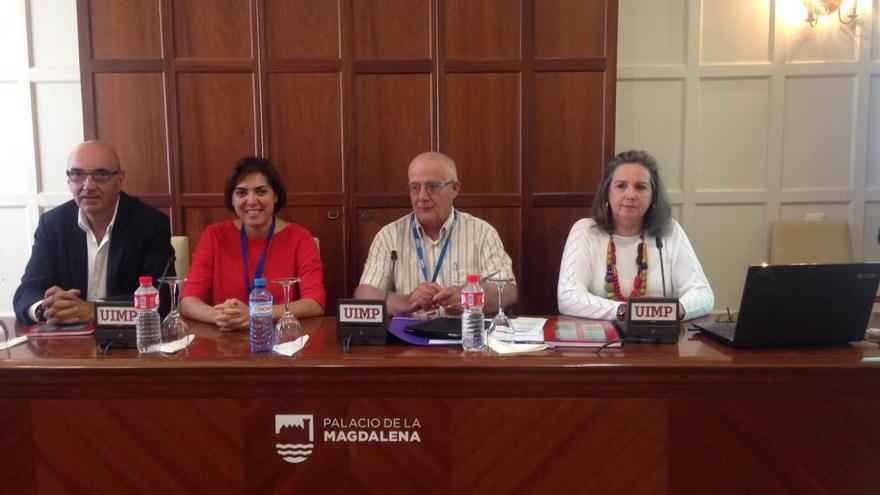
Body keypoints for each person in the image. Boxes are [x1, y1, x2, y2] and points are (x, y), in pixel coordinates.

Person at [13, 141, 174, 324]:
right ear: (69, 181)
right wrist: (46, 309)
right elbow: (25, 293)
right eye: (77, 175)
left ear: (119, 180)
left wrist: (94, 311)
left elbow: (162, 300)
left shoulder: (150, 224)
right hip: (65, 343)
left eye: (100, 175)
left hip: (127, 342)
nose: (88, 186)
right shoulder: (52, 224)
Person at [557, 150, 714, 321]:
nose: (630, 195)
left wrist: (674, 310)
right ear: (607, 192)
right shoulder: (585, 231)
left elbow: (704, 295)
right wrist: (632, 311)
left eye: (640, 187)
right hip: (600, 342)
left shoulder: (669, 231)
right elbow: (568, 297)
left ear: (653, 197)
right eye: (621, 186)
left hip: (658, 340)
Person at [355, 151, 517, 315]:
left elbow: (508, 291)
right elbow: (364, 295)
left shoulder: (482, 233)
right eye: (415, 188)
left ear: (454, 189)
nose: (422, 196)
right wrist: (407, 300)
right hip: (407, 336)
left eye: (432, 187)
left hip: (464, 336)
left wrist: (469, 297)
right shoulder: (389, 236)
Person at [179, 157, 325, 330]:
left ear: (276, 195)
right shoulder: (213, 236)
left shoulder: (300, 237)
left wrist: (257, 313)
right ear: (232, 199)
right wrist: (222, 317)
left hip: (282, 339)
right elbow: (187, 301)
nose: (251, 201)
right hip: (226, 338)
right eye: (241, 193)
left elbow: (315, 303)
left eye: (261, 191)